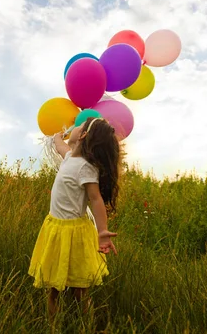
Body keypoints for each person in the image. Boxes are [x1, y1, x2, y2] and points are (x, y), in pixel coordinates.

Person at [28, 116, 123, 323]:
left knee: (80, 291)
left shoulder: (86, 168)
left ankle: (86, 326)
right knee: (52, 288)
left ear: (83, 134)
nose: (74, 125)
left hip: (75, 233)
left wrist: (102, 231)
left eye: (78, 124)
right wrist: (55, 137)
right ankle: (53, 326)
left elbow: (95, 199)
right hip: (56, 230)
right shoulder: (70, 157)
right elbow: (60, 144)